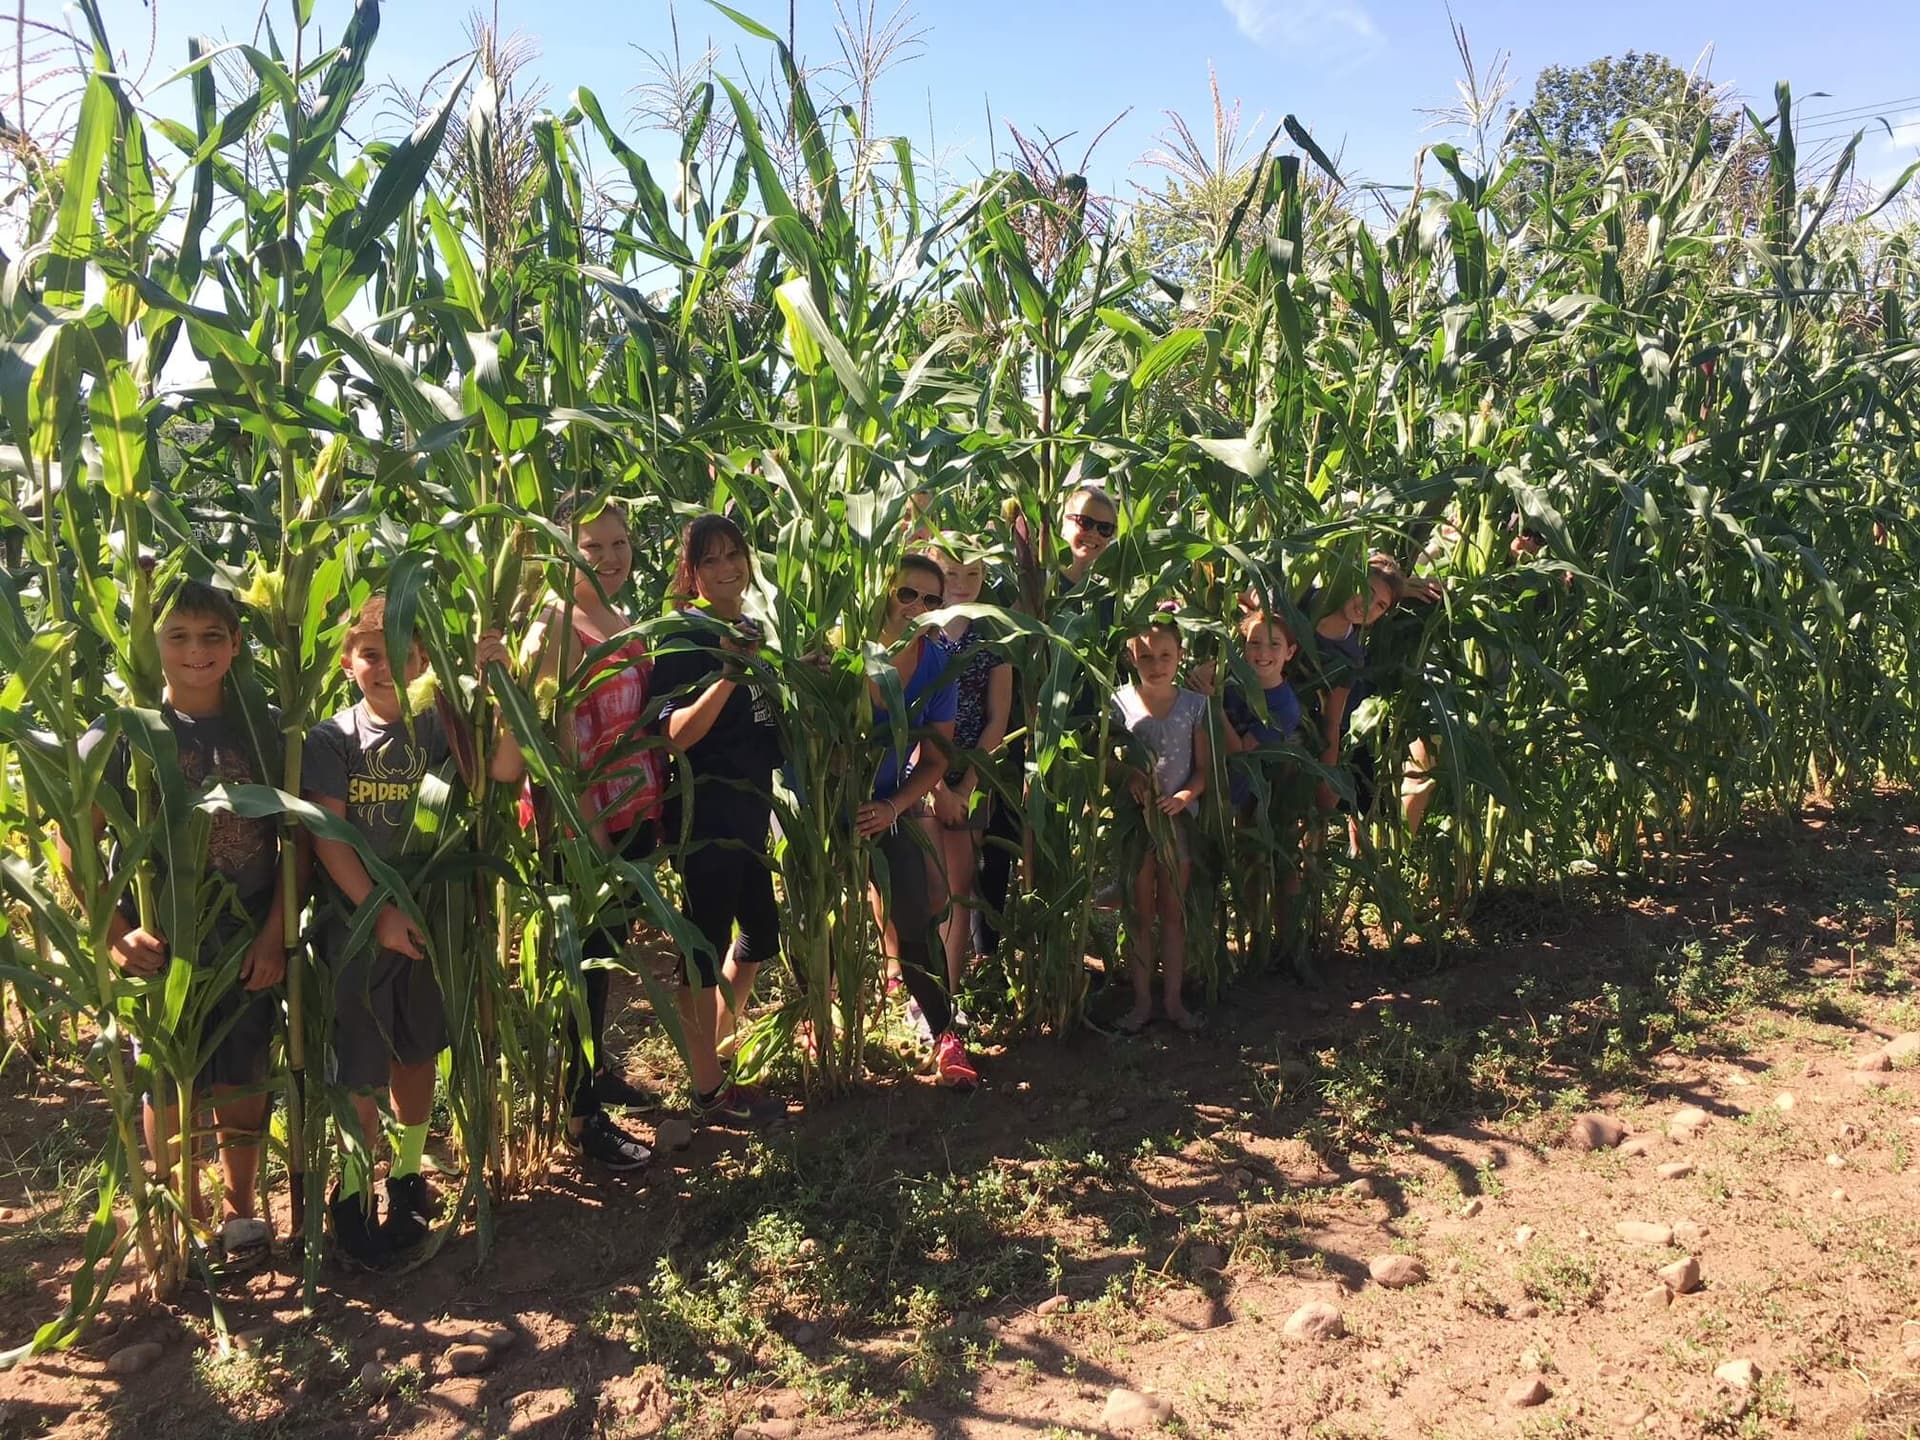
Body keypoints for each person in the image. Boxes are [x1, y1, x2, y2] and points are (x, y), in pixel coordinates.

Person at [56, 580, 298, 1270]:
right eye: (178, 637)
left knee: (243, 1075)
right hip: (159, 944)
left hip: (246, 938)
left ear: (236, 645)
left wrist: (277, 931)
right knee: (168, 1081)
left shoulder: (261, 724)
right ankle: (180, 1216)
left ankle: (240, 1212)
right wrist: (114, 935)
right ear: (152, 644)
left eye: (212, 637)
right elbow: (73, 840)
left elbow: (296, 841)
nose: (196, 652)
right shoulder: (123, 731)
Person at [305, 598, 526, 1266]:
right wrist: (381, 915)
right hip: (358, 931)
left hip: (431, 923)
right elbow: (328, 839)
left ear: (425, 664)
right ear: (348, 662)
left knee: (417, 1054)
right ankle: (351, 1204)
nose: (387, 669)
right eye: (372, 654)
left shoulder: (440, 728)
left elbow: (506, 772)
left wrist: (503, 689)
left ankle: (405, 1178)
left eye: (403, 657)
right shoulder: (333, 740)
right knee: (362, 1075)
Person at [524, 495, 666, 1170]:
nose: (610, 557)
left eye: (619, 544)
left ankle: (594, 1074)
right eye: (593, 546)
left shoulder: (619, 616)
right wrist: (593, 837)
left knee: (604, 958)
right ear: (563, 550)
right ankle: (581, 1121)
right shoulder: (557, 622)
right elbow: (556, 743)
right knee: (580, 966)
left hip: (630, 810)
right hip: (585, 823)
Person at [651, 513, 785, 1123]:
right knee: (702, 947)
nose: (728, 568)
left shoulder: (751, 628)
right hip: (705, 815)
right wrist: (730, 674)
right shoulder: (684, 636)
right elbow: (675, 734)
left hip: (752, 808)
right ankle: (706, 1086)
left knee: (761, 930)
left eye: (735, 554)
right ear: (691, 572)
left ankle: (716, 1045)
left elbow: (764, 718)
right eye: (711, 560)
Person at [852, 555, 980, 1088]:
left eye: (932, 601)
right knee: (820, 909)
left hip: (885, 803)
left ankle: (946, 1036)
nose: (920, 609)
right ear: (883, 593)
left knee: (915, 915)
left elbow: (936, 758)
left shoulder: (941, 660)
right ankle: (821, 1024)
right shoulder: (844, 648)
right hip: (820, 803)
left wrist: (893, 807)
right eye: (909, 595)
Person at [1110, 615, 1210, 1034]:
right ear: (1131, 658)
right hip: (1136, 825)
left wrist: (1185, 797)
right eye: (1146, 656)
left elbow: (1204, 770)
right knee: (1139, 913)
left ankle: (1173, 1002)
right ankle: (1141, 1003)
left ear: (1180, 656)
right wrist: (1129, 777)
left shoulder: (1194, 705)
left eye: (1165, 655)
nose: (1156, 664)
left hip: (1178, 824)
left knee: (1172, 912)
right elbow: (1107, 761)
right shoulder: (1119, 703)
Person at [927, 541, 1012, 1000]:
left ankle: (947, 995)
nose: (962, 585)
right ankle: (912, 986)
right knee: (928, 889)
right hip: (918, 775)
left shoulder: (994, 640)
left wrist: (966, 785)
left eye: (974, 575)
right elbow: (910, 719)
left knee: (959, 887)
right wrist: (937, 785)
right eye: (952, 573)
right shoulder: (917, 634)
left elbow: (997, 717)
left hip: (971, 776)